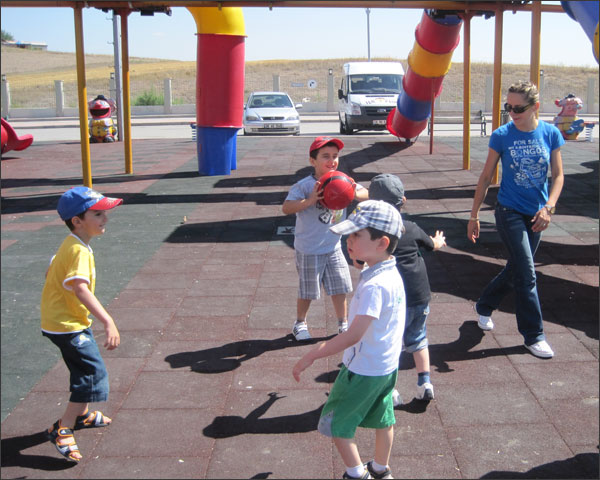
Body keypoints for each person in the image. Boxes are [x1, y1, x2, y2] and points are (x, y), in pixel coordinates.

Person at [293, 200, 405, 480]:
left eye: (356, 235)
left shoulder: (374, 287)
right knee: (384, 418)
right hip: (386, 367)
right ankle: (380, 469)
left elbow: (353, 335)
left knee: (337, 424)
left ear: (382, 242)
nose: (348, 240)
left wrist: (313, 354)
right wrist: (363, 262)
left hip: (362, 369)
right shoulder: (390, 272)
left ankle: (357, 475)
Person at [467, 80, 565, 359]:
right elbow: (486, 177)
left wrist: (549, 208)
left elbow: (558, 176)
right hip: (508, 211)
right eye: (508, 107)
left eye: (518, 107)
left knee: (518, 269)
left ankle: (484, 305)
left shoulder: (550, 133)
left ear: (535, 107)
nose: (512, 112)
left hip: (537, 213)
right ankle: (534, 336)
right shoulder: (502, 135)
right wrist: (473, 216)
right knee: (527, 273)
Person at [41, 186, 123, 462]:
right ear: (77, 220)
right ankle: (63, 428)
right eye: (98, 214)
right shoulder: (79, 251)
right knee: (90, 373)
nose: (105, 219)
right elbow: (80, 288)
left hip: (63, 321)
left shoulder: (71, 243)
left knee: (83, 367)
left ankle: (83, 414)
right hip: (67, 325)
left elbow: (52, 267)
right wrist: (108, 321)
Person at [368, 173, 446, 403]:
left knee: (390, 343)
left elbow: (361, 261)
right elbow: (432, 245)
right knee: (418, 339)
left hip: (394, 300)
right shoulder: (410, 228)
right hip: (419, 295)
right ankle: (425, 382)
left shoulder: (374, 236)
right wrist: (438, 240)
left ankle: (390, 390)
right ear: (403, 201)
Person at [282, 136, 368, 341]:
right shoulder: (304, 186)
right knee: (308, 290)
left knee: (340, 287)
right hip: (310, 248)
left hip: (333, 245)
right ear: (313, 161)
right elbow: (286, 207)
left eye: (335, 156)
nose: (332, 161)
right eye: (326, 157)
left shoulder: (343, 180)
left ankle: (343, 323)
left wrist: (355, 191)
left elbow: (365, 193)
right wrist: (310, 200)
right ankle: (300, 323)